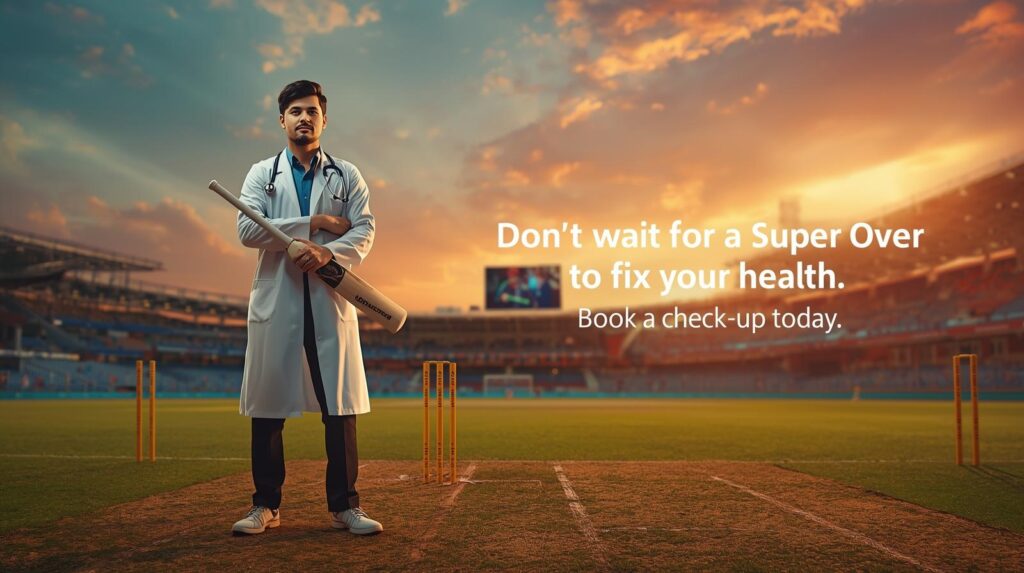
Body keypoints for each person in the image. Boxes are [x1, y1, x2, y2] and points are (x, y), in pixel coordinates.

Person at [230, 80, 383, 536]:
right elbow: (247, 230)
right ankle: (265, 505)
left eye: (312, 111)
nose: (304, 118)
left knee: (339, 408)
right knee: (267, 407)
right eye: (295, 111)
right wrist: (314, 223)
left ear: (323, 120)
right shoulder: (262, 173)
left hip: (327, 301)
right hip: (278, 300)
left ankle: (345, 506)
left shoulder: (347, 174)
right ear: (282, 120)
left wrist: (325, 251)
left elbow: (364, 229)